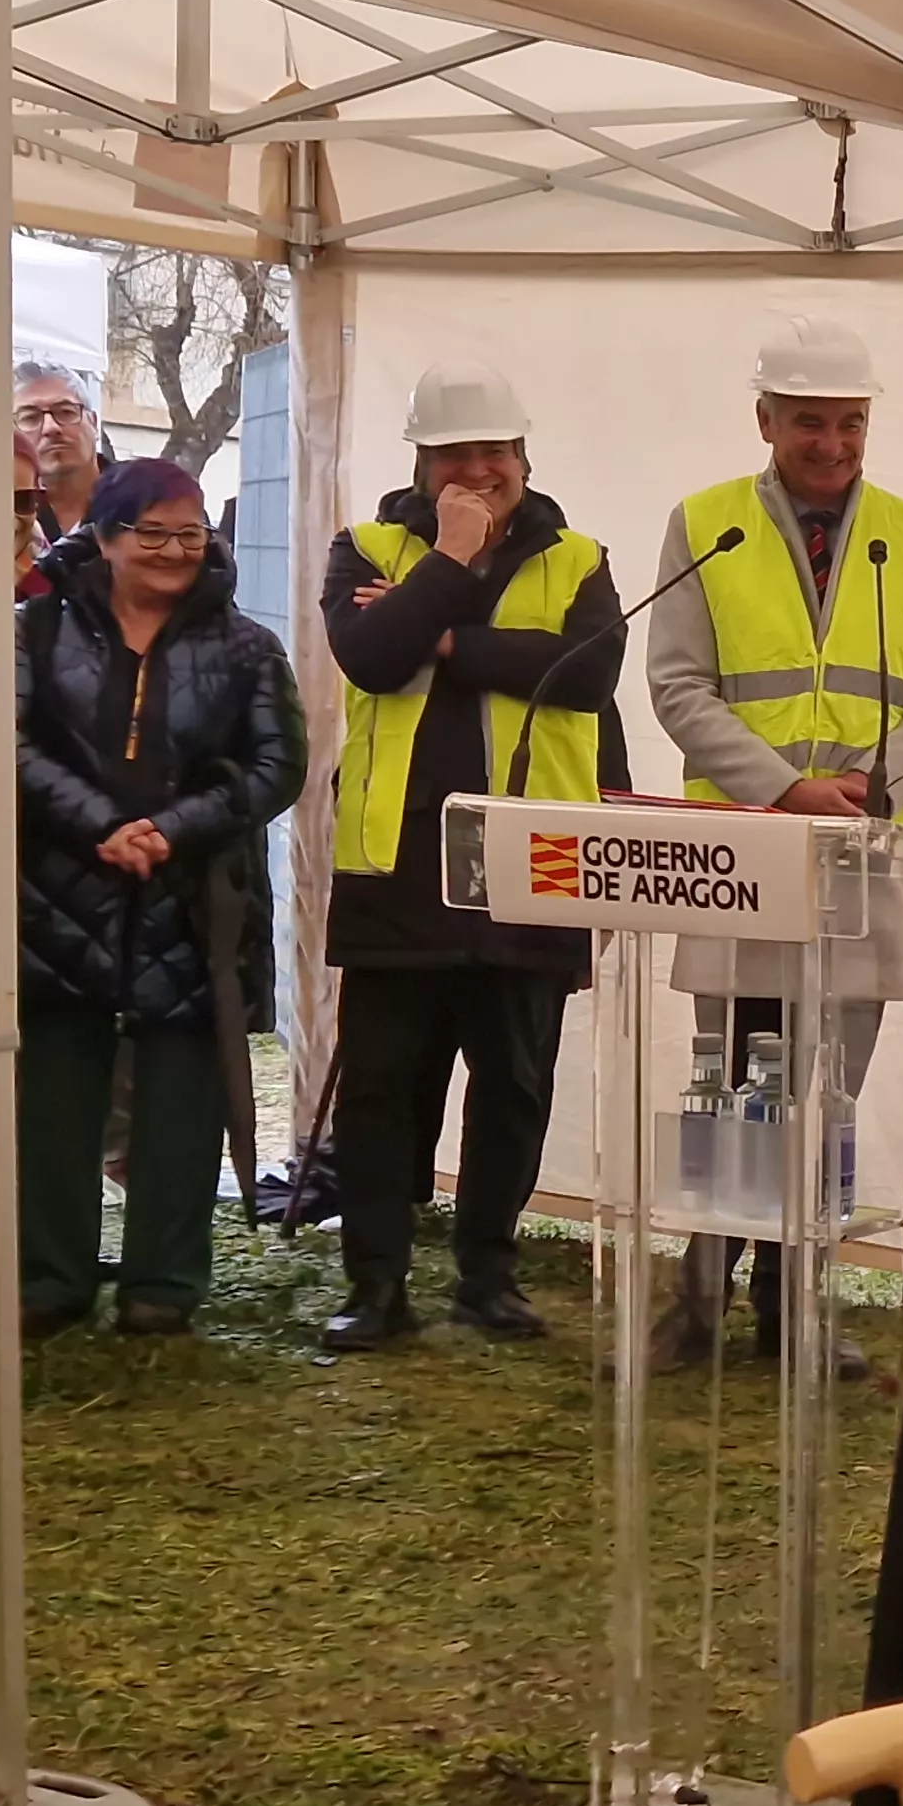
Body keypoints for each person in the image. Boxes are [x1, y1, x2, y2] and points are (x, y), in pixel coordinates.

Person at [644, 315, 903, 1380]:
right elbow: (675, 684)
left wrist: (870, 791)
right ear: (765, 420)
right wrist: (784, 787)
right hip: (743, 852)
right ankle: (696, 1307)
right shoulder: (705, 524)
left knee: (825, 1094)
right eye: (807, 423)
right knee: (732, 1085)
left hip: (862, 861)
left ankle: (796, 1312)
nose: (830, 443)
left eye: (847, 422)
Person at [315, 361, 627, 1352]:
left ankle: (488, 1277)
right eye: (458, 453)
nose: (480, 469)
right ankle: (376, 1283)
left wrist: (441, 636)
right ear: (423, 459)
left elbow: (584, 675)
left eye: (495, 451)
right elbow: (367, 657)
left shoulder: (580, 559)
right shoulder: (359, 545)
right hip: (396, 863)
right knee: (381, 1084)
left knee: (515, 1079)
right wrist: (450, 560)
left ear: (525, 456)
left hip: (530, 861)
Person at [17, 458, 302, 1337]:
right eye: (154, 532)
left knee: (183, 1094)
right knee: (55, 1095)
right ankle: (49, 1278)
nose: (177, 550)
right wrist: (101, 824)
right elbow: (5, 742)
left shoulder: (247, 645)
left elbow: (276, 765)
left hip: (194, 894)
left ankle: (164, 1284)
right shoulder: (31, 629)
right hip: (59, 887)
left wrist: (172, 829)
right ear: (104, 537)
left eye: (191, 532)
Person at [14, 358, 111, 544]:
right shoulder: (1, 514)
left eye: (65, 412)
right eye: (30, 417)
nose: (50, 428)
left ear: (94, 423)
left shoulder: (144, 500)